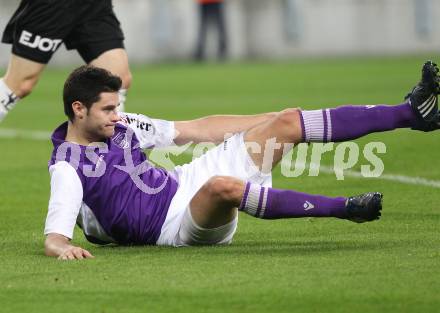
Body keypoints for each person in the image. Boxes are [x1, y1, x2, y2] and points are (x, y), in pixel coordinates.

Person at [44, 62, 439, 260]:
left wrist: (270, 122)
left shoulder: (123, 125)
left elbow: (196, 129)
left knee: (288, 121)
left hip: (183, 181)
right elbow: (55, 237)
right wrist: (63, 249)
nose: (118, 115)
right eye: (108, 109)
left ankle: (410, 114)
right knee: (222, 188)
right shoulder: (67, 166)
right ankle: (346, 209)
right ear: (78, 109)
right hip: (175, 227)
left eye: (117, 107)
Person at [0, 0, 132, 123]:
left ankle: (109, 145)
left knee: (116, 80)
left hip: (94, 6)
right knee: (20, 84)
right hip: (53, 6)